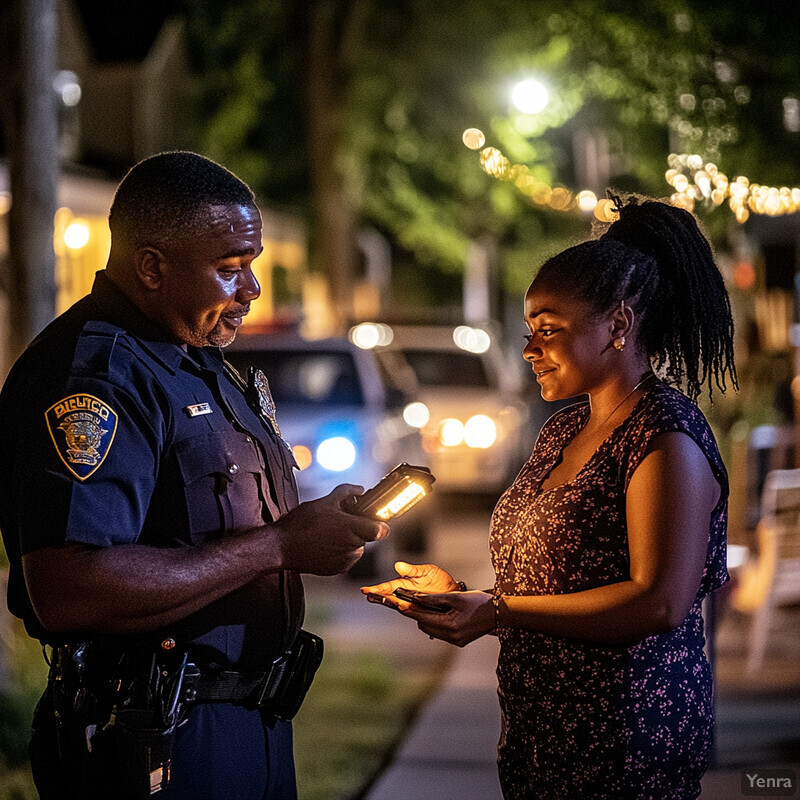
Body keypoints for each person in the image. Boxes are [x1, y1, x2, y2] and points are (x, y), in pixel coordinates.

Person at [0, 151, 388, 800]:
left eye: (252, 266)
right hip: (152, 733)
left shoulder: (193, 356)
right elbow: (67, 586)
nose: (253, 290)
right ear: (152, 267)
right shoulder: (100, 374)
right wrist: (282, 545)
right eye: (230, 270)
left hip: (245, 719)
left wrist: (315, 527)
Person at [363, 196, 737, 800]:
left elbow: (659, 602)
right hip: (541, 735)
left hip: (626, 740)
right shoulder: (563, 429)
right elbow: (551, 590)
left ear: (618, 325)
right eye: (530, 330)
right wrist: (465, 597)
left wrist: (498, 610)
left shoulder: (664, 437)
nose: (530, 349)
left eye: (549, 330)